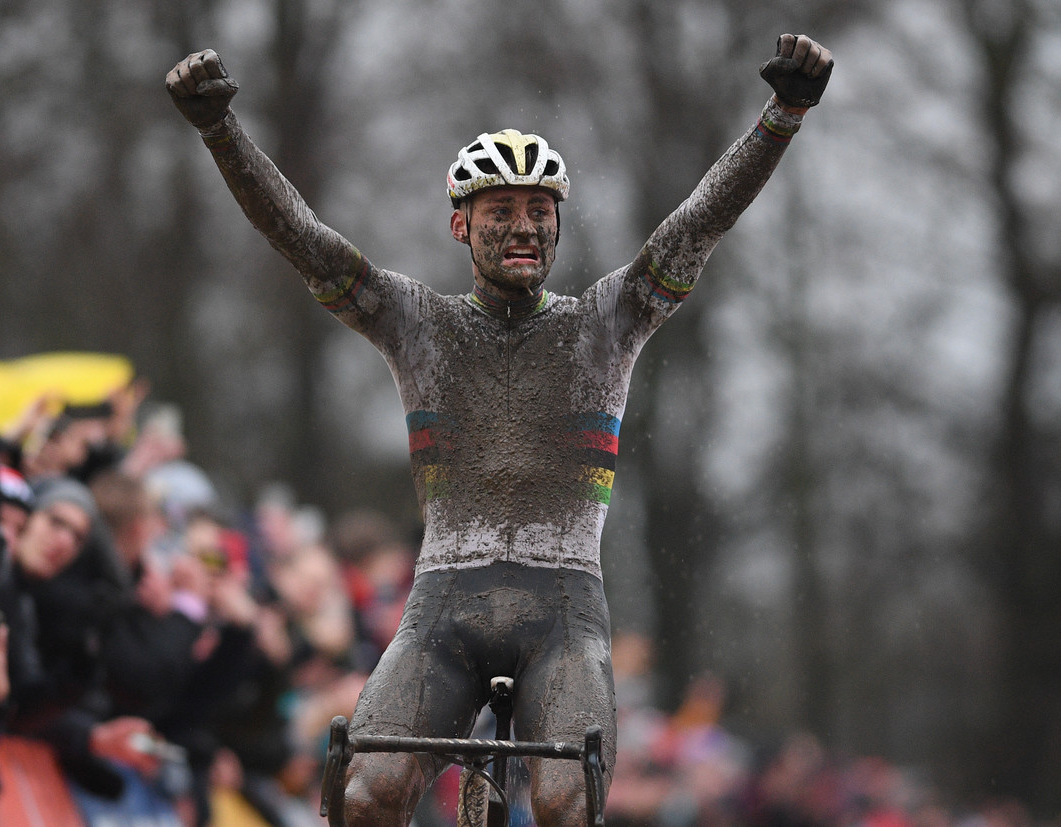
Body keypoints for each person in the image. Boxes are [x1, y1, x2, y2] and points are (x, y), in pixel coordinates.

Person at [167, 32, 832, 827]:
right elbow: (304, 240)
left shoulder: (608, 319)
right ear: (460, 227)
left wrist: (782, 116)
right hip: (442, 609)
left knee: (562, 802)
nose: (524, 228)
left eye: (539, 211)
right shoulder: (416, 321)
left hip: (565, 612)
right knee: (367, 794)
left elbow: (699, 222)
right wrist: (220, 131)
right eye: (502, 211)